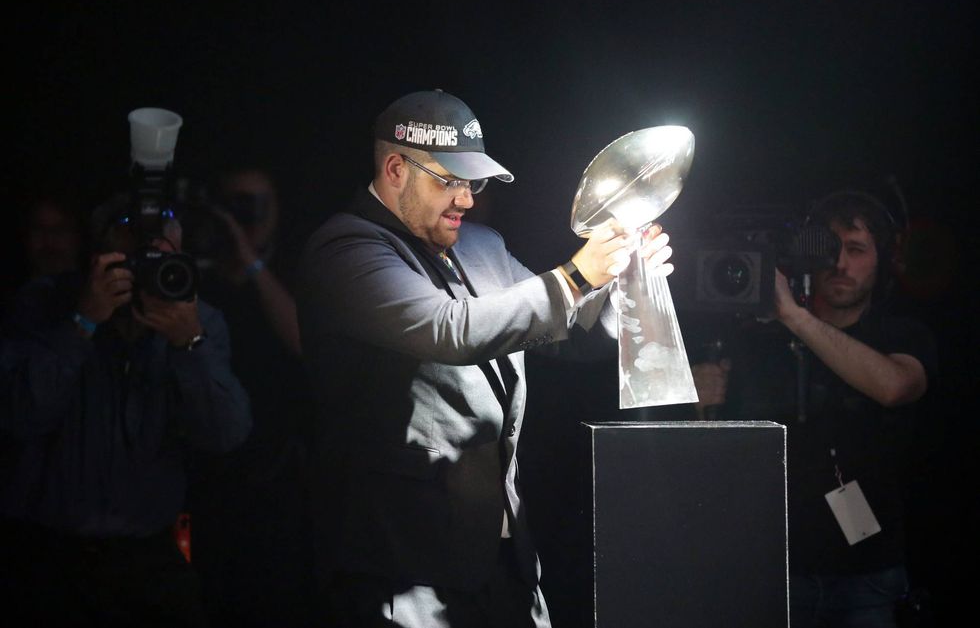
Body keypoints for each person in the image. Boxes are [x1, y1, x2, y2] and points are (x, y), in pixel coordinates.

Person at [296, 89, 673, 628]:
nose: (467, 199)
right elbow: (451, 330)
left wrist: (627, 287)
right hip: (403, 575)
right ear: (396, 168)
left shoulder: (482, 246)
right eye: (449, 181)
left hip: (502, 565)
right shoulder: (346, 250)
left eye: (473, 183)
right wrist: (576, 276)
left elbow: (568, 332)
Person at [0, 193, 252, 627]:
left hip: (149, 557)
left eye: (160, 253)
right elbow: (18, 416)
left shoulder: (199, 319)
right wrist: (82, 322)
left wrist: (188, 345)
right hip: (50, 558)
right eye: (132, 252)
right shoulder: (46, 301)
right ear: (99, 251)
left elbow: (226, 436)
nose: (146, 264)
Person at [691, 190, 938, 628]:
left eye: (857, 250)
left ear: (881, 260)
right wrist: (699, 400)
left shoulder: (902, 333)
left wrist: (796, 317)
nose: (840, 264)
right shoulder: (759, 340)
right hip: (776, 569)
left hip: (867, 574)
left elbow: (895, 386)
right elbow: (716, 453)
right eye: (827, 249)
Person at [188, 167, 315, 628]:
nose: (252, 216)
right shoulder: (195, 274)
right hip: (208, 476)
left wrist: (252, 264)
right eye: (239, 204)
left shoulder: (295, 271)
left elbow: (306, 342)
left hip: (278, 477)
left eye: (261, 204)